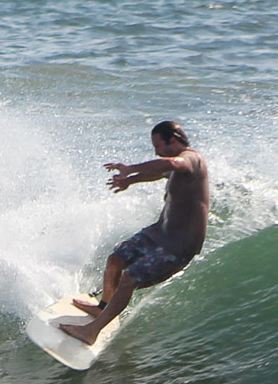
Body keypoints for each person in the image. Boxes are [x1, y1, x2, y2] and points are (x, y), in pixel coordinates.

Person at [59, 120, 210, 345]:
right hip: (159, 233)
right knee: (116, 259)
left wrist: (131, 168)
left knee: (129, 279)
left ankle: (92, 331)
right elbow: (161, 172)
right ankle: (102, 307)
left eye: (158, 146)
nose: (156, 151)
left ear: (173, 140)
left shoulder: (191, 159)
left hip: (178, 246)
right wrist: (131, 180)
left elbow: (170, 163)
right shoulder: (176, 166)